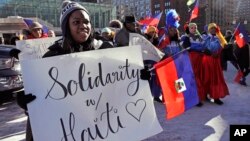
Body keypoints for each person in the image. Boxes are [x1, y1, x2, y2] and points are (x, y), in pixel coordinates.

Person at [16, 1, 114, 140]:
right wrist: (29, 104)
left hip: (103, 126)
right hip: (69, 131)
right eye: (76, 22)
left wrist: (138, 77)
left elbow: (121, 83)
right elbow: (42, 102)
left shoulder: (106, 50)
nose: (83, 26)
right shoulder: (51, 57)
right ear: (66, 26)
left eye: (86, 21)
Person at [201, 23, 229, 105]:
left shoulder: (219, 38)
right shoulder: (205, 38)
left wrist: (220, 51)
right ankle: (205, 94)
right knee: (207, 78)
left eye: (214, 28)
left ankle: (216, 97)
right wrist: (210, 53)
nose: (213, 30)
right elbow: (203, 48)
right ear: (208, 30)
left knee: (216, 78)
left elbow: (221, 48)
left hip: (216, 61)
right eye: (211, 28)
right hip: (207, 61)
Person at [181, 22, 206, 106]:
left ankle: (196, 98)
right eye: (192, 28)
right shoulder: (185, 37)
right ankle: (185, 97)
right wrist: (195, 48)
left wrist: (196, 48)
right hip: (189, 59)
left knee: (197, 77)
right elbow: (185, 48)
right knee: (188, 77)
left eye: (195, 28)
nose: (194, 29)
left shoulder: (199, 37)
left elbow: (203, 47)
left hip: (198, 60)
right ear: (189, 29)